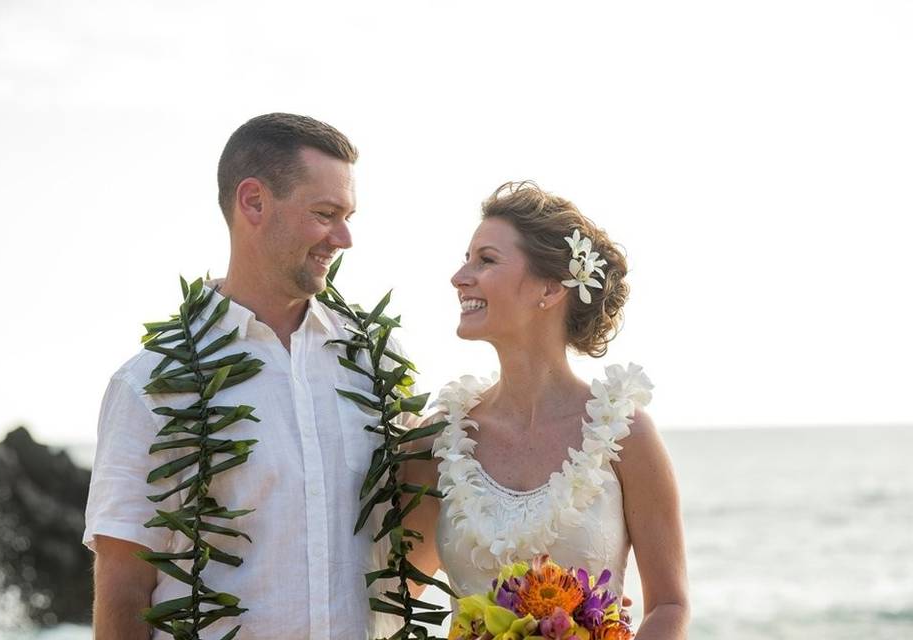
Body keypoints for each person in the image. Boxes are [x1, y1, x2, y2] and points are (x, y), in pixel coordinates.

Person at [84, 113, 399, 639]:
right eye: (325, 214)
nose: (343, 238)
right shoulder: (152, 384)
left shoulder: (373, 367)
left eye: (347, 216)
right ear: (253, 201)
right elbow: (124, 587)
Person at [405, 182, 690, 638]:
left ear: (551, 287)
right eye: (467, 259)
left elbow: (670, 605)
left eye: (486, 260)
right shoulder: (438, 440)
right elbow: (395, 595)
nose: (460, 277)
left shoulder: (624, 433)